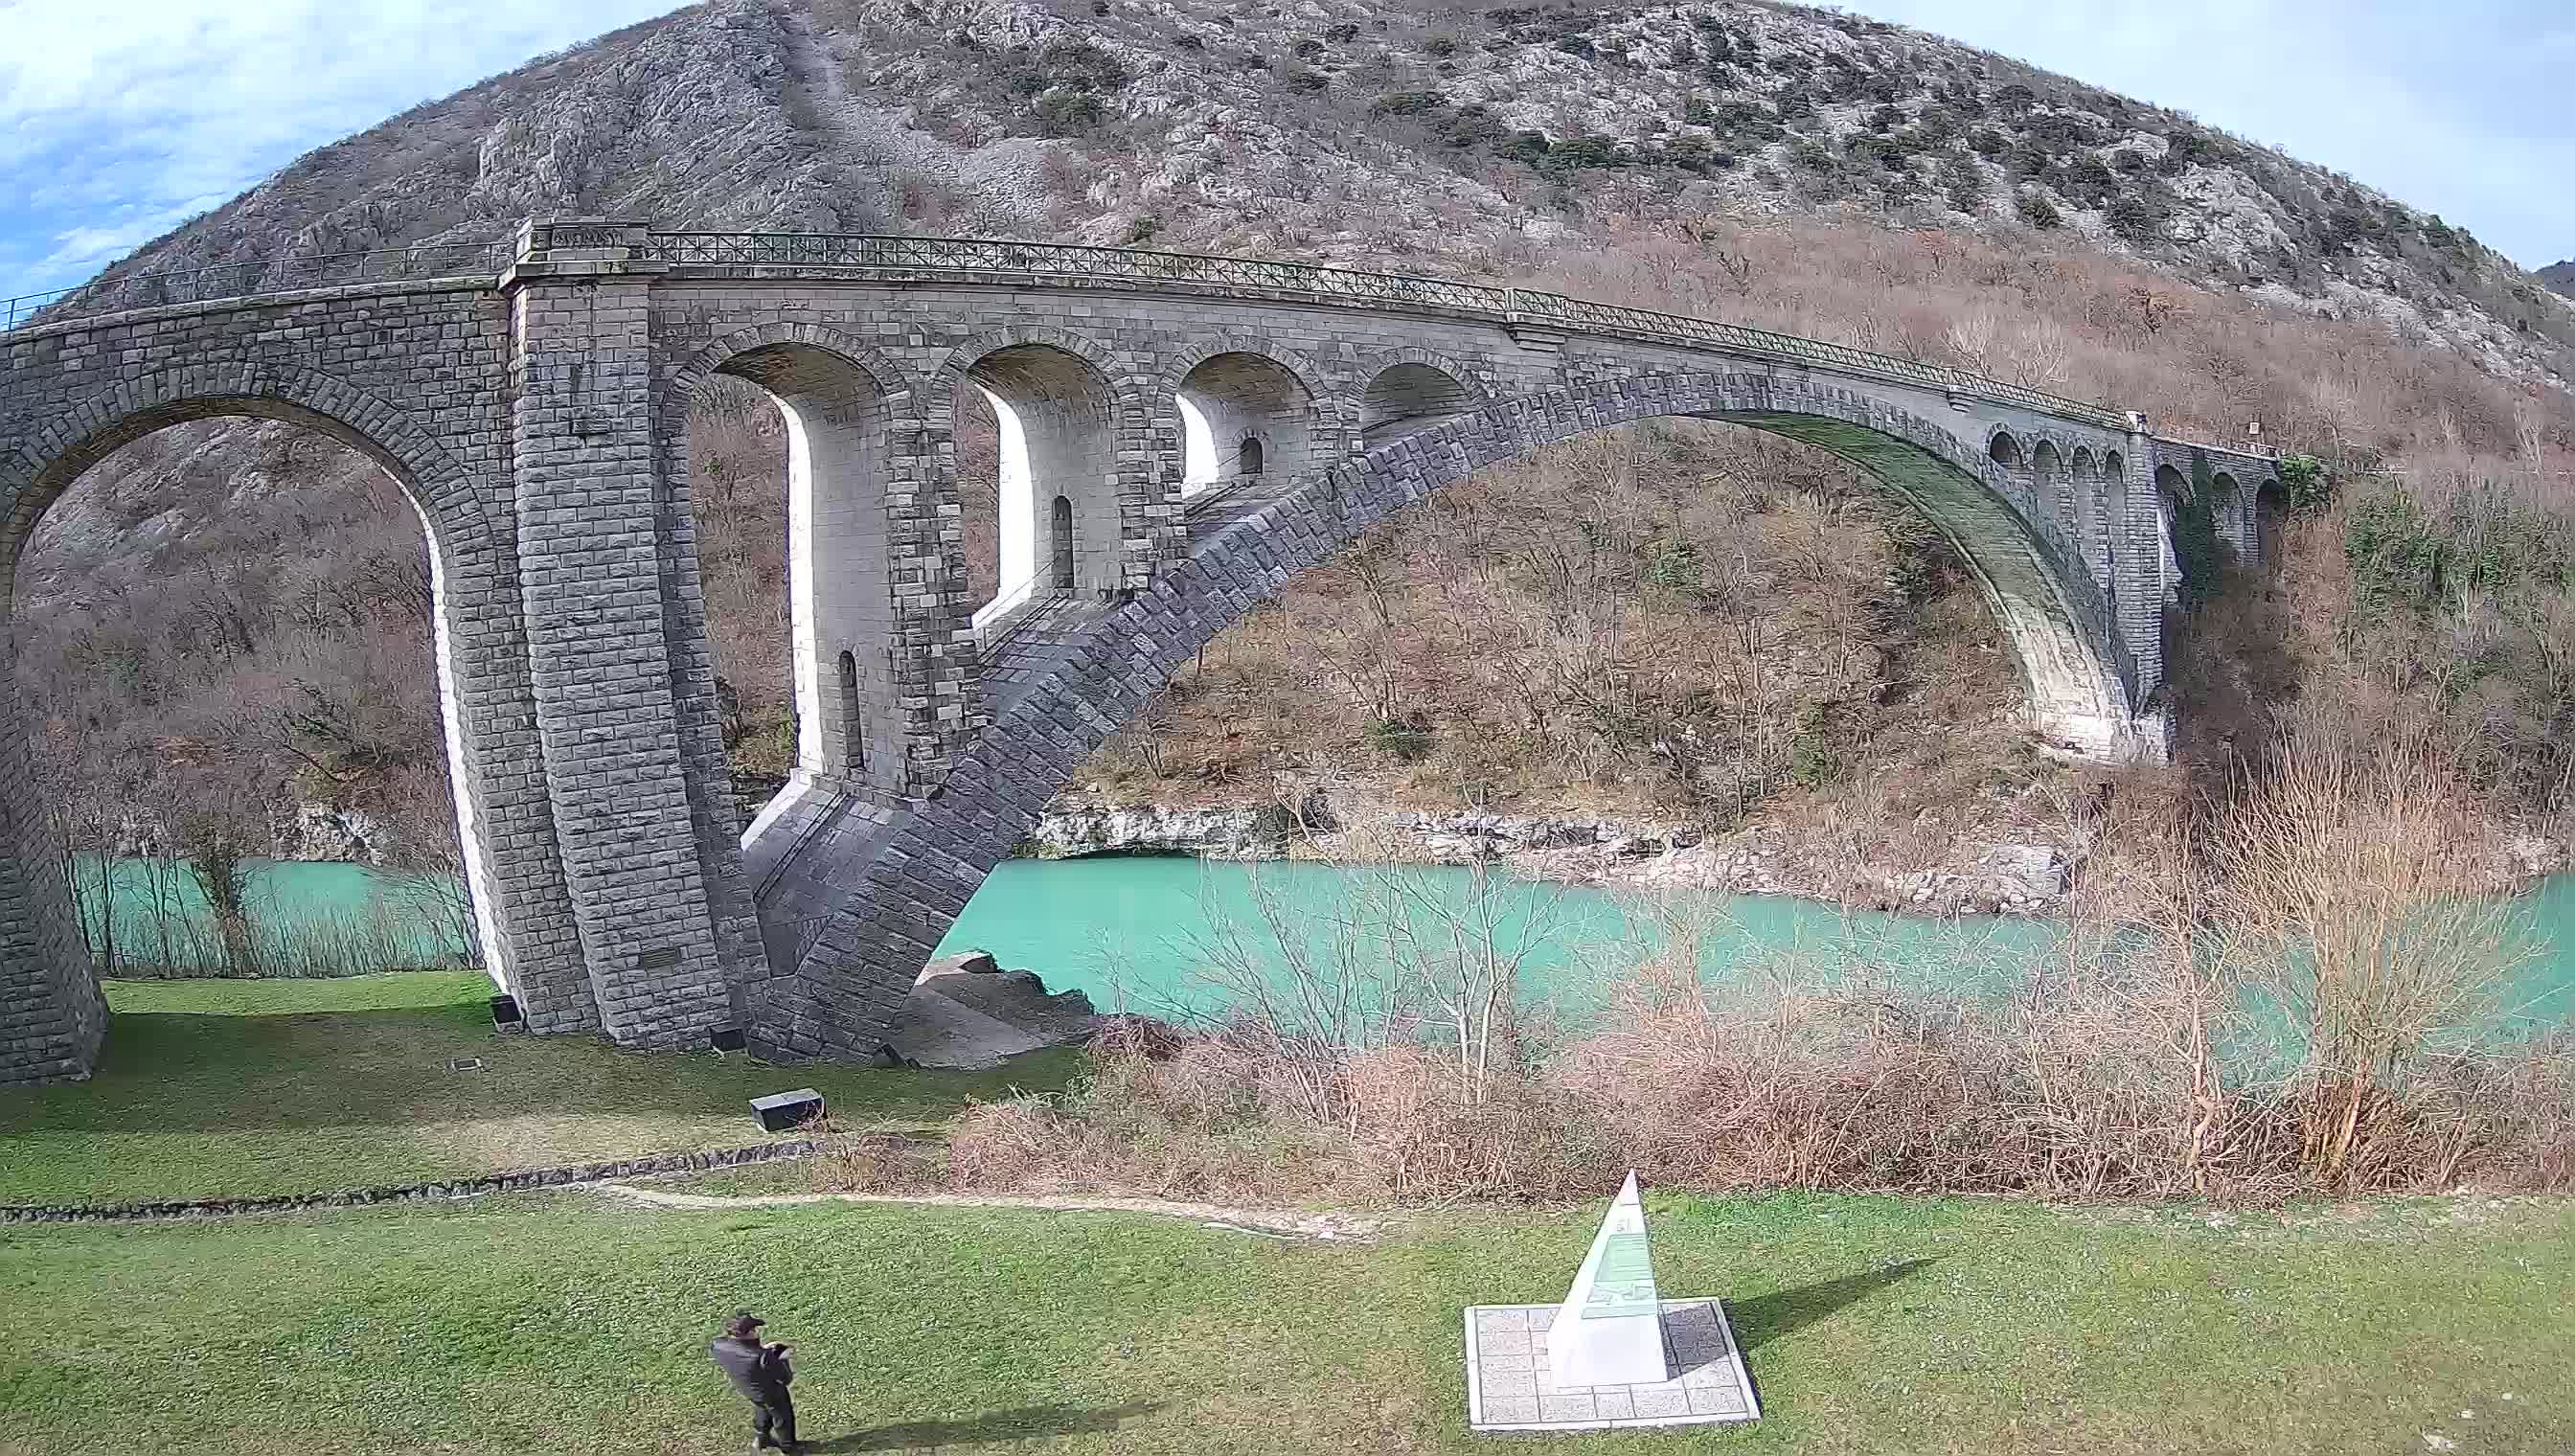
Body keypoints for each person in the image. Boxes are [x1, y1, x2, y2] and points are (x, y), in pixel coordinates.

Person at [708, 1311, 800, 1452]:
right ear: (749, 1333)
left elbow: (742, 1356)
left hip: (747, 1389)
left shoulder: (717, 1345)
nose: (756, 1332)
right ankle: (788, 1446)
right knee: (783, 1417)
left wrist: (762, 1350)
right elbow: (785, 1379)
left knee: (762, 1408)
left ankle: (762, 1438)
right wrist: (783, 1358)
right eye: (754, 1329)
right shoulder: (761, 1357)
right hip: (771, 1393)